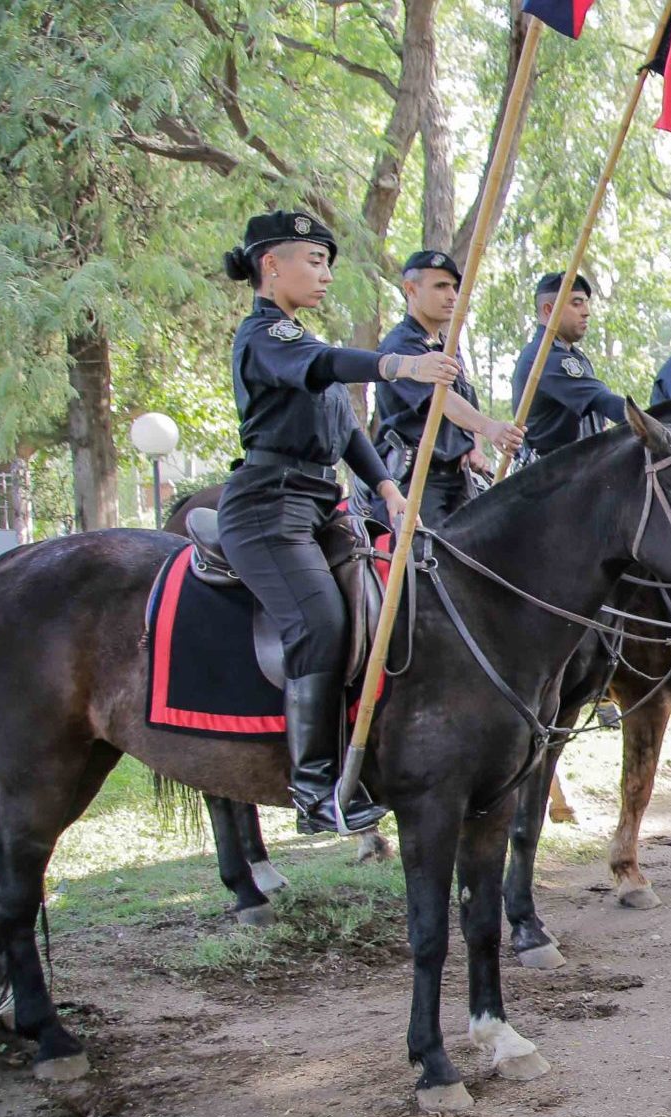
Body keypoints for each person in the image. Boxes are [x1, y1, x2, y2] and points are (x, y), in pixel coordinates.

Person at [218, 209, 458, 834]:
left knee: (388, 604)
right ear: (272, 265)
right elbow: (326, 366)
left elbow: (346, 426)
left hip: (321, 506)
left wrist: (386, 486)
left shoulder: (298, 338)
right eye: (314, 261)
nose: (325, 275)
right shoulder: (266, 336)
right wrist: (400, 365)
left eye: (328, 262)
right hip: (267, 511)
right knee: (320, 621)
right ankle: (312, 790)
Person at [371, 249, 524, 528]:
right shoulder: (400, 348)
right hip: (417, 480)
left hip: (458, 479)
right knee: (428, 563)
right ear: (411, 289)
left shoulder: (448, 347)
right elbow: (440, 400)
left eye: (454, 287)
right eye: (440, 286)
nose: (452, 295)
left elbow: (467, 403)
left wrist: (475, 447)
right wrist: (490, 427)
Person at [509, 272, 627, 459]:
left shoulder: (573, 355)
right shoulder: (544, 357)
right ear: (549, 310)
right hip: (551, 478)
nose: (586, 311)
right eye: (576, 303)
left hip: (577, 471)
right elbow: (603, 400)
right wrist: (655, 425)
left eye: (587, 303)